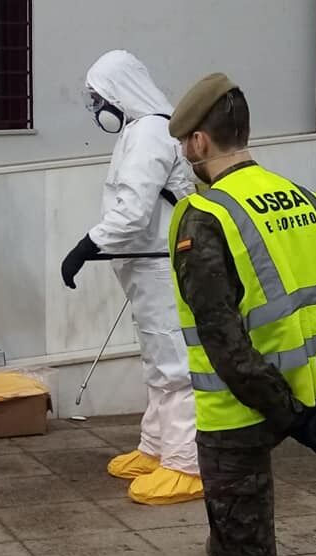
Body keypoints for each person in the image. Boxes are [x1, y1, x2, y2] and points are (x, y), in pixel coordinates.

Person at [168, 73, 316, 556]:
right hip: (299, 397)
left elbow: (223, 341)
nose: (184, 154)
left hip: (237, 417)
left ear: (199, 141)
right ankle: (227, 545)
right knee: (234, 540)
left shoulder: (203, 216)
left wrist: (288, 415)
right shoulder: (310, 202)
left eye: (184, 144)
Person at [59, 50, 202, 505]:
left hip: (159, 264)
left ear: (120, 93)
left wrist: (87, 245)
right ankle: (157, 448)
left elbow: (133, 211)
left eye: (99, 98)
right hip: (147, 265)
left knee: (175, 365)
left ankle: (186, 466)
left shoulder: (150, 133)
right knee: (159, 361)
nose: (98, 108)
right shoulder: (146, 130)